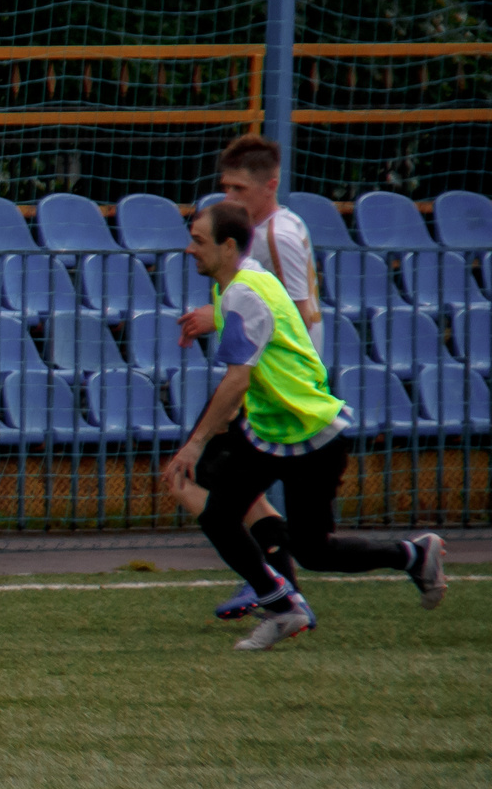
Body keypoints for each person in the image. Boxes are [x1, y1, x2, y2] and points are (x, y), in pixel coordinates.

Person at [161, 200, 446, 649]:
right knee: (219, 515)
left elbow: (238, 379)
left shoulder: (243, 292)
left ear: (228, 246)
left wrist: (195, 443)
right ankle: (283, 607)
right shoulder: (236, 285)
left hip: (310, 433)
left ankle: (411, 554)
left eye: (198, 241)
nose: (189, 249)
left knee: (314, 550)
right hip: (271, 432)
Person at [176, 136, 324, 623]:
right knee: (232, 490)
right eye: (226, 188)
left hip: (278, 390)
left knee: (194, 477)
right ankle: (273, 582)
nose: (230, 198)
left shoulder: (277, 236)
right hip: (271, 385)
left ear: (270, 186)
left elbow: (292, 316)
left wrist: (268, 382)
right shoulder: (271, 231)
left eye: (239, 189)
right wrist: (218, 316)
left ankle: (274, 585)